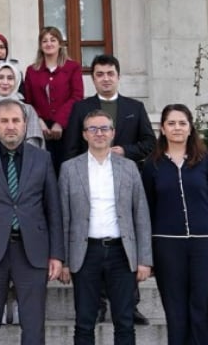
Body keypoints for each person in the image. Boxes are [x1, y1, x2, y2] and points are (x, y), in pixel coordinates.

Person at [0, 98, 64, 345]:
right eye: (4, 121)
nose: (10, 126)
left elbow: (53, 209)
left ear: (25, 124)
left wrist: (57, 255)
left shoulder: (42, 158)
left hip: (32, 251)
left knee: (33, 327)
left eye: (15, 120)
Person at [65, 54, 157, 325]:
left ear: (118, 76)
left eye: (110, 73)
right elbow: (71, 146)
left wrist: (125, 151)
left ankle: (131, 304)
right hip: (89, 182)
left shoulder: (134, 107)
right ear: (93, 78)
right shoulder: (82, 108)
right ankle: (99, 305)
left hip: (126, 184)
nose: (105, 78)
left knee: (125, 240)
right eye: (100, 74)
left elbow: (150, 143)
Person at [141, 104, 208, 345]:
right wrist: (146, 254)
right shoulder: (152, 165)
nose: (177, 128)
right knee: (175, 313)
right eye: (171, 123)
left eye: (182, 123)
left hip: (207, 247)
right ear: (162, 128)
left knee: (202, 311)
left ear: (190, 127)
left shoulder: (207, 161)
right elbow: (146, 212)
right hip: (167, 248)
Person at [58, 111, 153, 345]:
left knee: (124, 321)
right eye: (93, 129)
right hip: (85, 252)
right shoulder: (70, 169)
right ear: (84, 134)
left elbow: (140, 214)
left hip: (121, 252)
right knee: (84, 322)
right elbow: (63, 217)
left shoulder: (129, 167)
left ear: (113, 133)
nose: (99, 133)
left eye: (104, 129)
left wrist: (144, 259)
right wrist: (64, 260)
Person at [23, 26, 84, 171]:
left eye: (53, 40)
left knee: (66, 168)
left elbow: (77, 96)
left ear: (60, 44)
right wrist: (38, 121)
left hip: (67, 127)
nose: (49, 44)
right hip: (41, 129)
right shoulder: (32, 71)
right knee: (43, 169)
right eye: (44, 41)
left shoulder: (72, 67)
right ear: (40, 45)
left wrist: (59, 122)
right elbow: (28, 101)